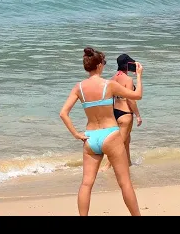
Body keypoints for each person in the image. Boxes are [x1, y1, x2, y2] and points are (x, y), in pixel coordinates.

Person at [59, 47, 144, 216]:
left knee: (86, 184)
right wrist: (139, 76)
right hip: (110, 134)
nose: (104, 65)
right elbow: (137, 95)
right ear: (98, 65)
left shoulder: (79, 87)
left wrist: (76, 134)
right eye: (103, 63)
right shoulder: (108, 85)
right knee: (125, 183)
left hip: (90, 137)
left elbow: (63, 113)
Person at [100, 54, 142, 172]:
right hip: (125, 113)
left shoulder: (113, 79)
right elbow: (131, 99)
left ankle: (128, 163)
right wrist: (138, 115)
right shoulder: (128, 80)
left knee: (126, 139)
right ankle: (107, 166)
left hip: (115, 112)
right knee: (120, 143)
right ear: (128, 65)